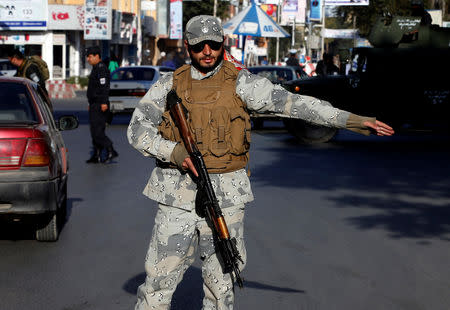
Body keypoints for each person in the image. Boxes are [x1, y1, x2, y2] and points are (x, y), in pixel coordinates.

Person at [127, 15, 394, 310]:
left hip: (225, 201)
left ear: (223, 44)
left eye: (213, 44)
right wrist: (176, 153)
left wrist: (352, 121)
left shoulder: (242, 83)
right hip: (176, 198)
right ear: (187, 46)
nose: (207, 51)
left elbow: (297, 105)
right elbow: (137, 131)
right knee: (157, 286)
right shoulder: (169, 86)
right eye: (199, 45)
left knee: (221, 289)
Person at [85, 46, 118, 164]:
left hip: (100, 104)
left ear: (97, 56)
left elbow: (104, 87)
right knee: (94, 130)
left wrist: (104, 102)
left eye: (90, 56)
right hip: (94, 103)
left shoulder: (101, 69)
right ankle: (97, 154)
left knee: (97, 131)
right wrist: (90, 102)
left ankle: (111, 150)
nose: (88, 59)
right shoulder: (95, 68)